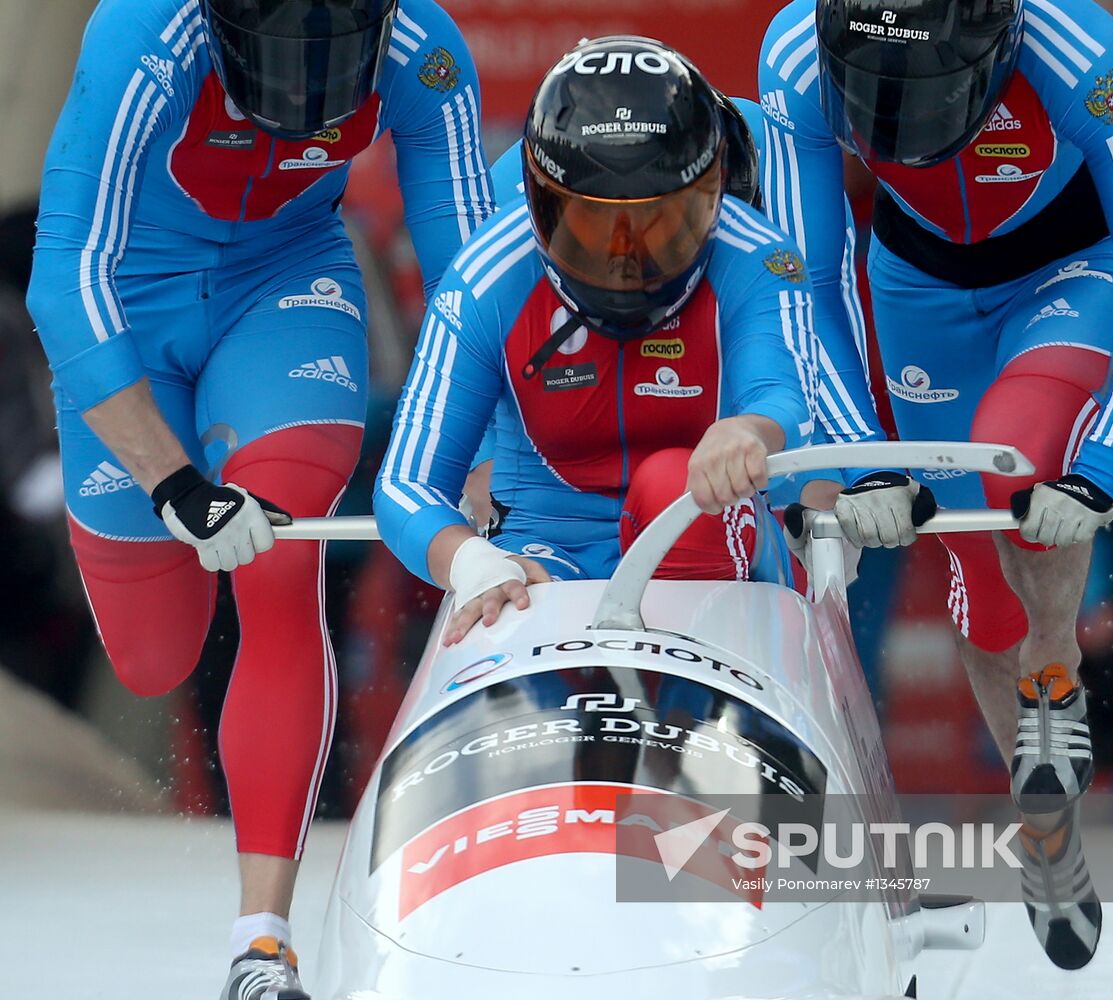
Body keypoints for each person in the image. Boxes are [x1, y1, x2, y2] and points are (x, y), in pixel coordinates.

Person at [24, 0, 493, 996]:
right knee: (156, 657)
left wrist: (491, 450)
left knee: (281, 562)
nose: (305, 99)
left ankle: (261, 940)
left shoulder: (422, 47)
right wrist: (172, 483)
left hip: (282, 286)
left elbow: (473, 274)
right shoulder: (143, 34)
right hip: (130, 304)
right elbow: (65, 278)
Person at [759, 0, 1113, 968]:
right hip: (918, 294)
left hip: (1071, 271)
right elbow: (805, 285)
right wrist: (863, 459)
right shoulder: (795, 53)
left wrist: (1101, 468)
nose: (899, 130)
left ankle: (1058, 672)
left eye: (923, 99)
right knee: (974, 579)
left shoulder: (1077, 47)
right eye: (874, 99)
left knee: (1015, 464)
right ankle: (1041, 814)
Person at [374, 36, 814, 644]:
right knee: (511, 613)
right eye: (593, 225)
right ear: (543, 204)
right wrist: (473, 562)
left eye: (659, 224)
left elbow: (785, 397)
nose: (625, 258)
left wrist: (748, 430)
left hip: (707, 528)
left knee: (671, 485)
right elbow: (407, 483)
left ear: (709, 201)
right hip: (543, 550)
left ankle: (697, 720)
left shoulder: (757, 259)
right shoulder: (487, 277)